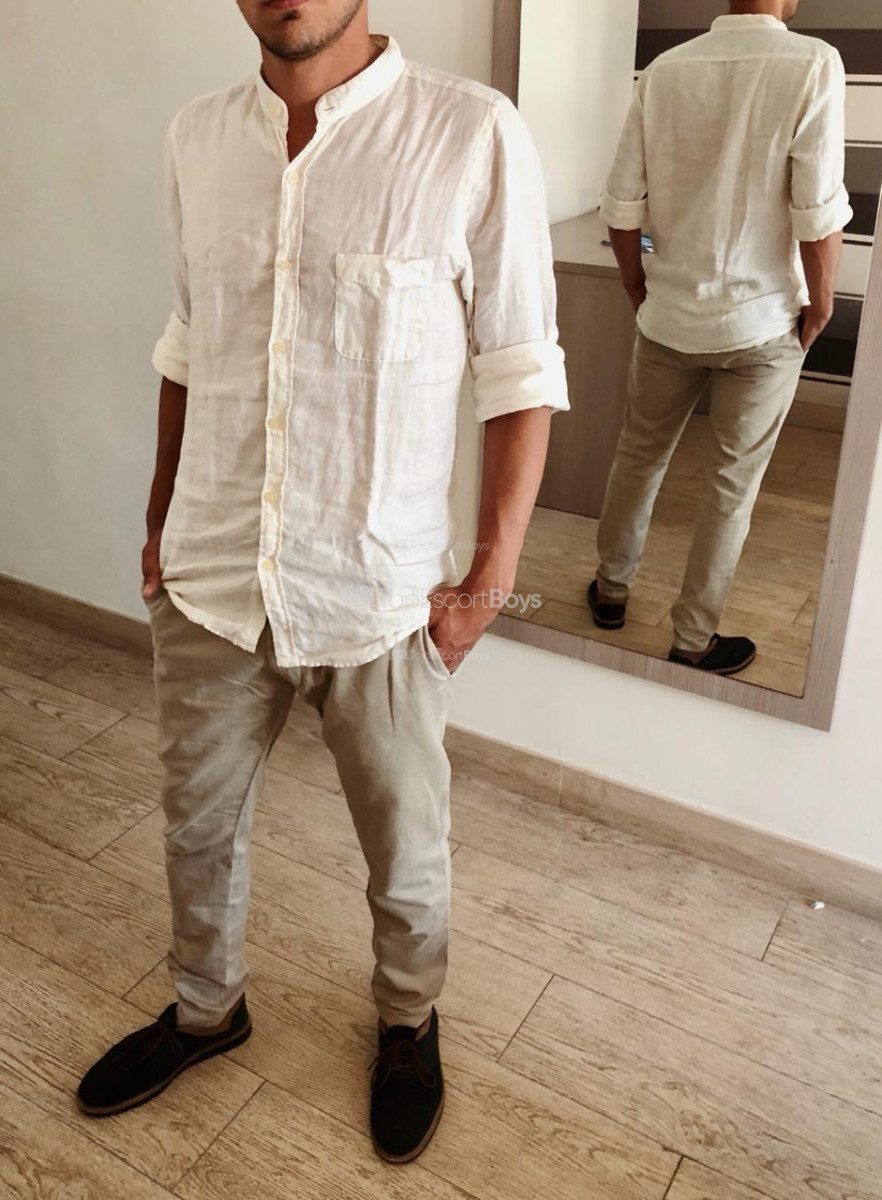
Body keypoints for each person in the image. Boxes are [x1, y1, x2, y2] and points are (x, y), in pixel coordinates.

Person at [76, 0, 568, 1164]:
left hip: (379, 597)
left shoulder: (469, 133)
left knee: (407, 852)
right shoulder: (197, 137)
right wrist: (158, 516)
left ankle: (408, 1021)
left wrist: (488, 583)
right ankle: (207, 1008)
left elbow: (519, 370)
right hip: (209, 577)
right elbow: (189, 341)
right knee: (196, 829)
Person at [589, 0, 852, 676]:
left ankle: (611, 592)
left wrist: (637, 280)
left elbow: (623, 206)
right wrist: (822, 303)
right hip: (763, 321)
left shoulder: (667, 69)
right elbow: (817, 210)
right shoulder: (813, 63)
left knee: (638, 457)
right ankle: (692, 640)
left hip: (669, 316)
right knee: (730, 486)